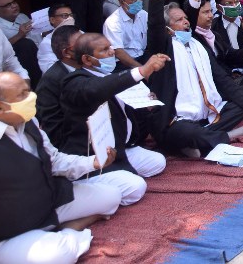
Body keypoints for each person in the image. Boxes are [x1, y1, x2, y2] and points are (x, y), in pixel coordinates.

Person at [0, 72, 122, 264]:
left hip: (44, 203)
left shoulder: (27, 121)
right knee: (56, 256)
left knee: (111, 197)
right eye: (23, 94)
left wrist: (93, 163)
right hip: (2, 232)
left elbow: (53, 160)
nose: (31, 97)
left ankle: (48, 232)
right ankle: (71, 229)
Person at [144, 0, 243, 157]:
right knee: (182, 131)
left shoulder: (196, 44)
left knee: (240, 106)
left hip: (207, 112)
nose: (185, 23)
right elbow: (154, 23)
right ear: (167, 28)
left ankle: (198, 141)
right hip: (178, 118)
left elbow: (222, 80)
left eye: (185, 19)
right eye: (178, 20)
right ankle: (224, 137)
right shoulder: (163, 48)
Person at [59, 33, 168, 187]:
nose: (111, 52)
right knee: (136, 187)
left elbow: (124, 113)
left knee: (158, 162)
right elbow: (97, 89)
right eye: (104, 50)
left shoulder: (109, 76)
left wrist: (146, 105)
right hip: (92, 156)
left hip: (120, 149)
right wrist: (141, 71)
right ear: (87, 59)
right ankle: (92, 187)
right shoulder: (75, 82)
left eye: (110, 47)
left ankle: (119, 173)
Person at [35, 25, 82, 147]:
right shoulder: (50, 82)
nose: (89, 45)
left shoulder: (91, 66)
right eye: (82, 43)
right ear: (67, 52)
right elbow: (53, 128)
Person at [0, 0, 42, 87]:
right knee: (25, 44)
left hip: (41, 56)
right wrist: (19, 35)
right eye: (8, 5)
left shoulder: (22, 16)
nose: (14, 6)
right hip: (22, 66)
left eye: (14, 2)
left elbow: (36, 36)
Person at [102, 0, 147, 70]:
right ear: (121, 2)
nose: (137, 1)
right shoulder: (113, 22)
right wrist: (142, 70)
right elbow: (119, 53)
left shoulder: (143, 14)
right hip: (124, 63)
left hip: (144, 56)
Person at [37, 4, 75, 74]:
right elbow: (51, 70)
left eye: (71, 15)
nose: (70, 19)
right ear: (52, 20)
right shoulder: (47, 42)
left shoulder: (81, 33)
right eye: (65, 16)